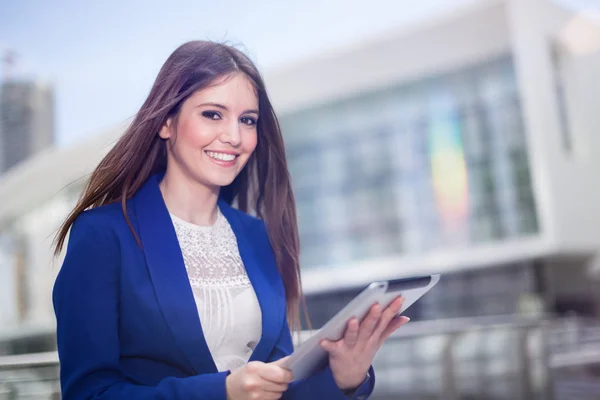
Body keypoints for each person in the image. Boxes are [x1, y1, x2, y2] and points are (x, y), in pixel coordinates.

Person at [52, 40, 409, 400]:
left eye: (247, 120)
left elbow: (280, 387)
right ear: (166, 122)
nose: (234, 137)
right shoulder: (103, 234)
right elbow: (88, 394)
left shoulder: (255, 236)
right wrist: (220, 391)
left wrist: (345, 378)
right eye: (212, 114)